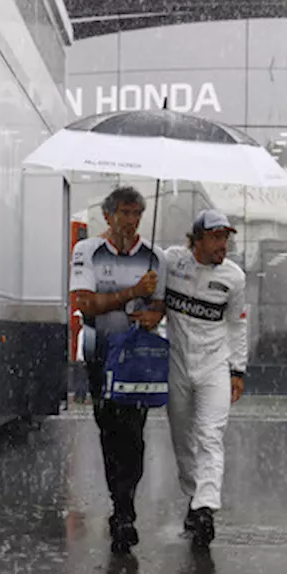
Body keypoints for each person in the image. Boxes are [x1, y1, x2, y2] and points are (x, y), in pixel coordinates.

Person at [69, 186, 167, 553]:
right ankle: (120, 505)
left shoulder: (155, 256)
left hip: (138, 362)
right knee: (110, 432)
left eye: (136, 214)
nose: (130, 221)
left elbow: (161, 308)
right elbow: (86, 304)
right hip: (100, 356)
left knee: (135, 436)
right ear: (108, 216)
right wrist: (131, 292)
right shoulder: (87, 252)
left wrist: (152, 313)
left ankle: (124, 509)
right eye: (123, 213)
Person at [161, 209, 249, 548]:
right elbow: (153, 299)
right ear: (196, 239)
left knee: (210, 435)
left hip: (215, 366)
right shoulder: (172, 261)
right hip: (177, 364)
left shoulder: (234, 278)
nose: (222, 244)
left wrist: (237, 370)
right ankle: (194, 498)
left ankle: (206, 508)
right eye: (215, 237)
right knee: (184, 441)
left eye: (225, 237)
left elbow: (238, 325)